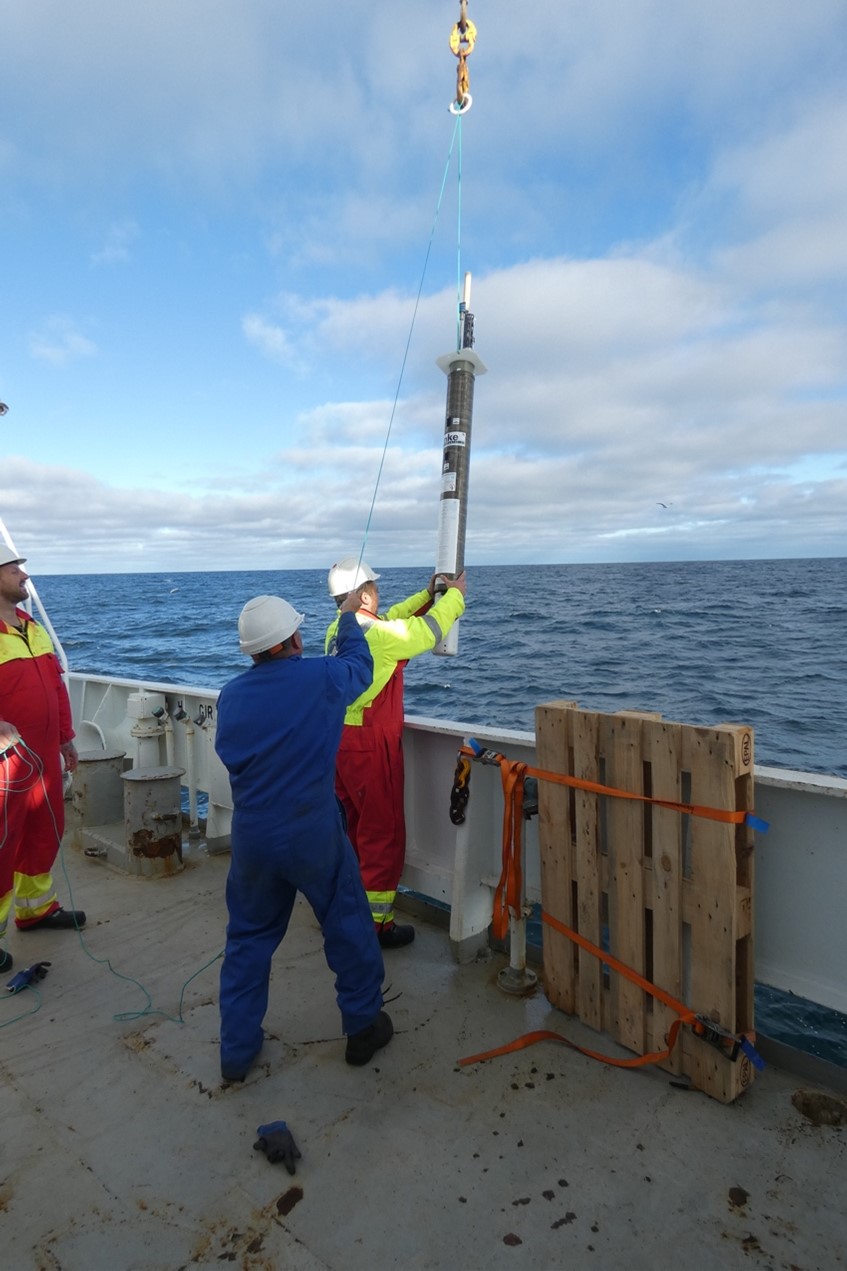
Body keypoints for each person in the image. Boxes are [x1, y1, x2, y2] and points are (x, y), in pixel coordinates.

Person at [214, 591, 393, 1082]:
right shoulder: (322, 677)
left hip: (251, 833)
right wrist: (348, 617)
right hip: (311, 827)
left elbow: (230, 752)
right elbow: (360, 665)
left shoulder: (231, 695)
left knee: (248, 939)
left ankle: (236, 1052)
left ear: (251, 650)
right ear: (293, 637)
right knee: (345, 920)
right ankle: (362, 1028)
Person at [325, 558, 467, 949]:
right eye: (375, 587)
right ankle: (375, 929)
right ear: (365, 593)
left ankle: (347, 912)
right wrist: (454, 596)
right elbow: (426, 631)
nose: (379, 593)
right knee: (381, 835)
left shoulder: (338, 629)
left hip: (340, 745)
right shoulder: (383, 637)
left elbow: (388, 619)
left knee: (352, 831)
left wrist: (426, 594)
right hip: (373, 748)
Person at [0, 546, 85, 973]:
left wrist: (66, 739)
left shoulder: (32, 628)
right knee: (1, 844)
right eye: (14, 567)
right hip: (6, 764)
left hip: (44, 757)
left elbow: (55, 686)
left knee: (45, 831)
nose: (24, 575)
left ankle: (35, 909)